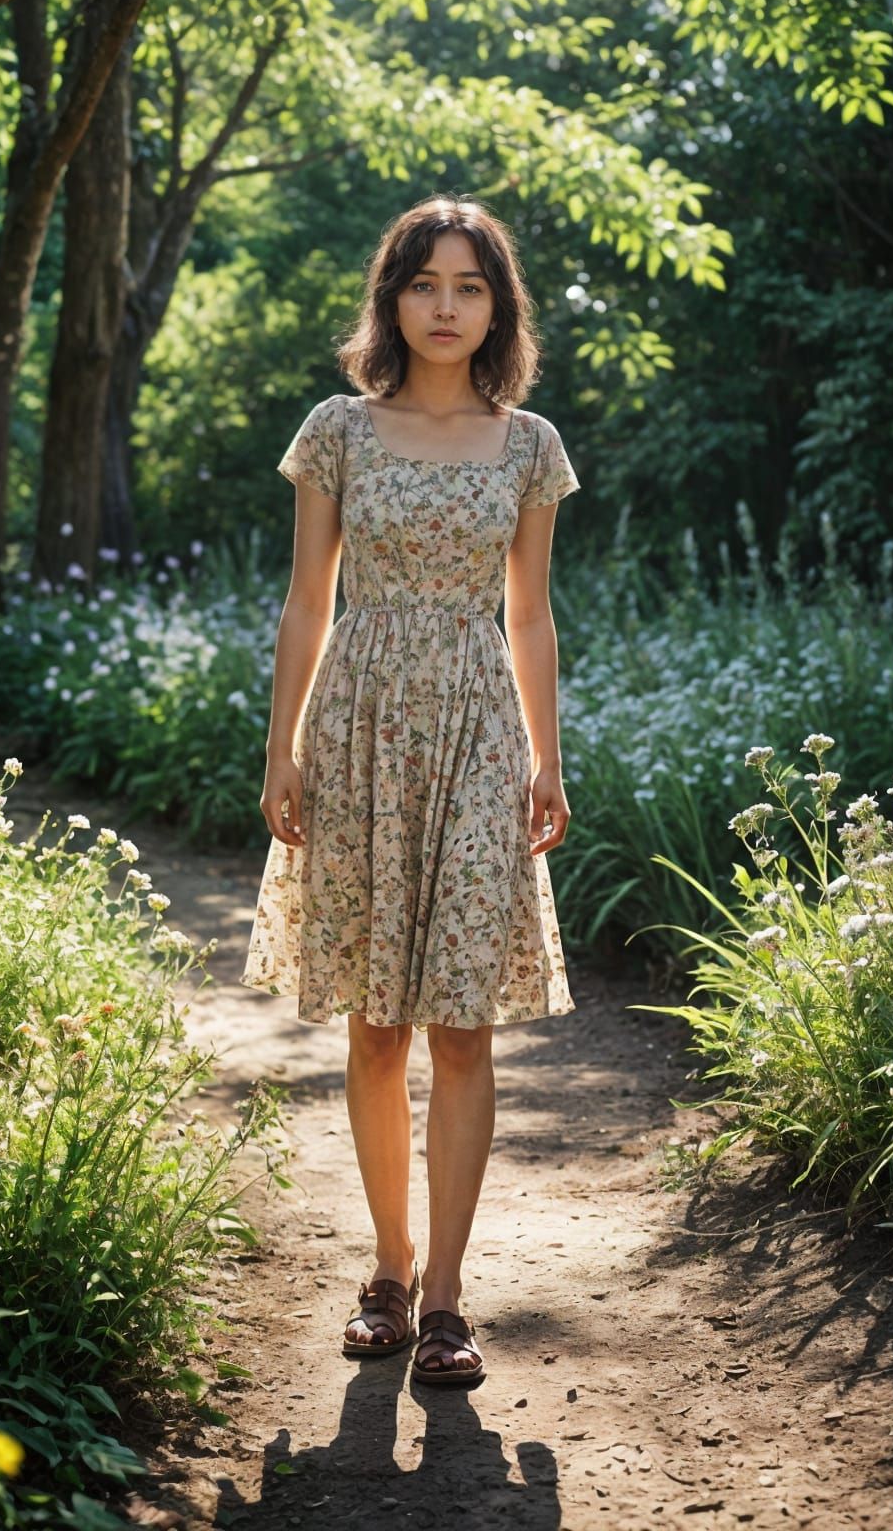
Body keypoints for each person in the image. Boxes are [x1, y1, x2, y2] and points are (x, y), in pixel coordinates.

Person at [239, 193, 580, 1388]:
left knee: (463, 1020)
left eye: (469, 286)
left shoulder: (529, 444)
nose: (446, 306)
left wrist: (548, 756)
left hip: (480, 729)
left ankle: (445, 1298)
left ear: (498, 307)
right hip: (360, 724)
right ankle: (387, 1270)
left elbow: (530, 614)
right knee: (376, 1021)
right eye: (424, 283)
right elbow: (307, 600)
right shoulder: (339, 428)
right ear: (392, 299)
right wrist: (282, 748)